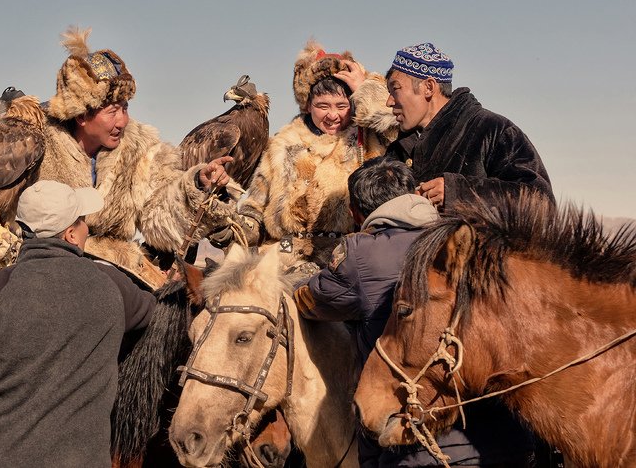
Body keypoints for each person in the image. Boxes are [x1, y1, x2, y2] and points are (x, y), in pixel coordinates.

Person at [293, 158, 537, 468]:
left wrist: (296, 274)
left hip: (415, 445)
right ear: (415, 195)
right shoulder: (473, 244)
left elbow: (310, 301)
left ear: (355, 212)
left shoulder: (361, 254)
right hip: (505, 441)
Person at [0, 27, 234, 289]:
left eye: (125, 108)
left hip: (116, 273)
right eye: (112, 111)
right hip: (40, 274)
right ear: (82, 114)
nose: (123, 121)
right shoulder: (33, 144)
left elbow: (159, 216)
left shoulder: (141, 149)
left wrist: (197, 186)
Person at [0, 180, 157, 468]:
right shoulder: (113, 286)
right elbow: (160, 320)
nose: (87, 228)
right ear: (71, 234)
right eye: (82, 221)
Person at [235, 40, 397, 273]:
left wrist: (366, 87)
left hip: (346, 262)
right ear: (308, 105)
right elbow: (254, 208)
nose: (333, 115)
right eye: (323, 106)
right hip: (280, 262)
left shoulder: (369, 139)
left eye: (341, 106)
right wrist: (234, 227)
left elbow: (395, 123)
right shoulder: (282, 144)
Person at [337, 42, 553, 210]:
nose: (389, 101)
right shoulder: (398, 150)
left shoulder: (493, 130)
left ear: (429, 87)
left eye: (395, 89)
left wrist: (458, 193)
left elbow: (541, 203)